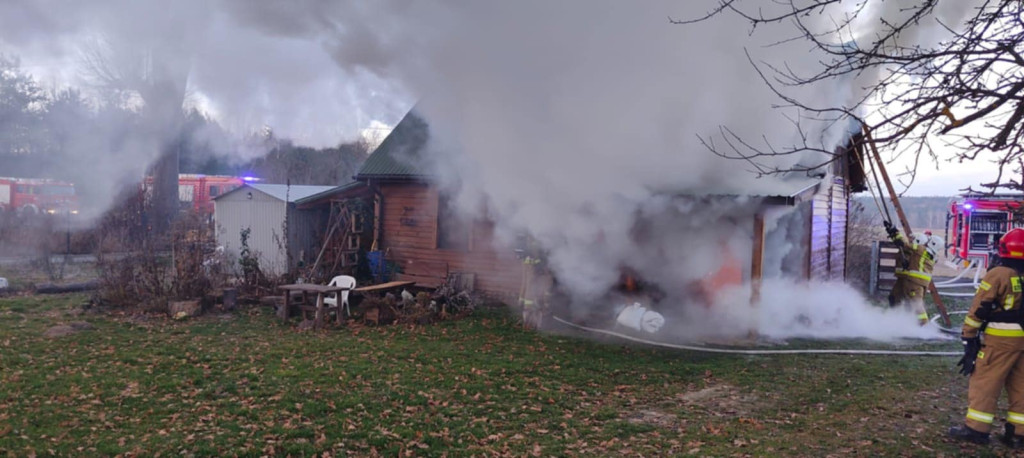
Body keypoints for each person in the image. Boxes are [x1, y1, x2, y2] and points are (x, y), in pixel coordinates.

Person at [949, 228, 1024, 447]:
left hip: (1000, 339)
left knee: (985, 382)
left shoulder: (999, 274)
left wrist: (969, 336)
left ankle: (976, 430)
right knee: (1021, 385)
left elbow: (979, 307)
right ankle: (1018, 434)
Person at [884, 221, 940, 325]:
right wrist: (894, 234)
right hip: (913, 282)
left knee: (916, 306)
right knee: (895, 298)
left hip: (915, 283)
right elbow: (903, 246)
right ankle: (897, 320)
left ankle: (924, 327)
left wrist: (894, 231)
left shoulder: (921, 250)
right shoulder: (929, 254)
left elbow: (904, 244)